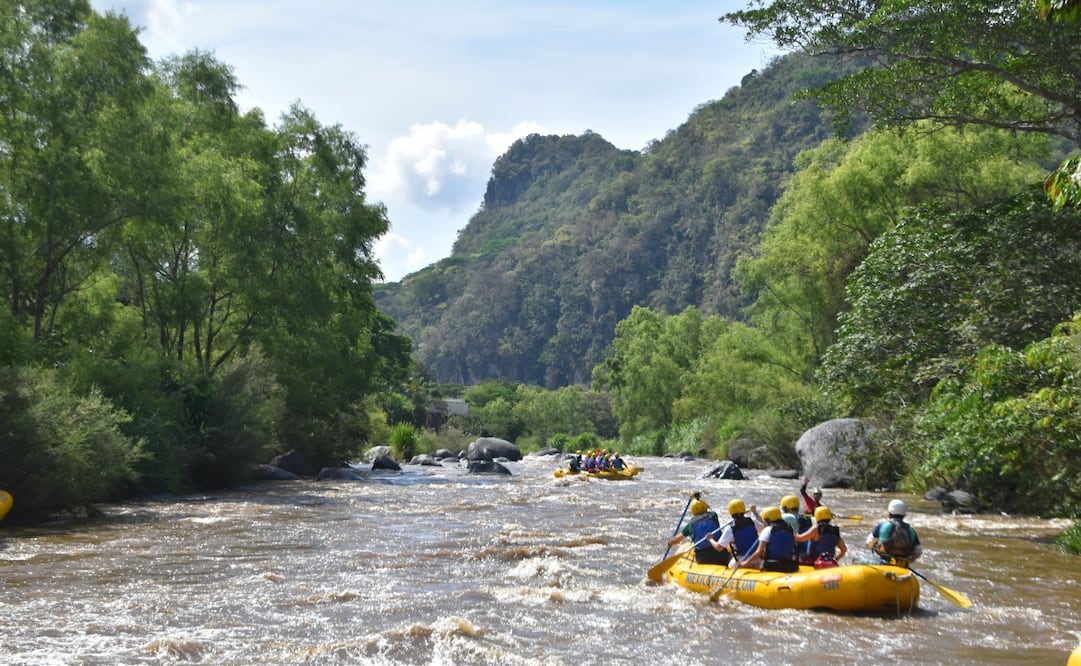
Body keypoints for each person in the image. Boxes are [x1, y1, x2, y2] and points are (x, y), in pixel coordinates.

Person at [666, 497, 729, 565]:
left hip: (703, 558)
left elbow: (677, 540)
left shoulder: (691, 525)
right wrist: (697, 497)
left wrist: (670, 542)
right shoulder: (713, 515)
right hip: (720, 555)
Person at [739, 506, 799, 573]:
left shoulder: (767, 530)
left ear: (768, 520)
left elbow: (759, 552)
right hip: (790, 565)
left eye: (764, 520)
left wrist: (745, 563)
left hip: (772, 566)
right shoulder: (790, 529)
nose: (763, 522)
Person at [865, 499, 922, 565]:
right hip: (902, 564)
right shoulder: (911, 530)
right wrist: (909, 560)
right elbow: (918, 551)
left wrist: (875, 546)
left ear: (889, 513)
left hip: (884, 561)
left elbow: (868, 543)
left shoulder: (883, 525)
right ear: (904, 514)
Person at [707, 498, 762, 566]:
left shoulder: (730, 529)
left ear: (731, 513)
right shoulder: (753, 522)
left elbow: (719, 548)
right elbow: (765, 527)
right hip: (757, 559)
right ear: (744, 510)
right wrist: (755, 512)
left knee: (729, 564)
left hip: (741, 560)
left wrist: (710, 539)